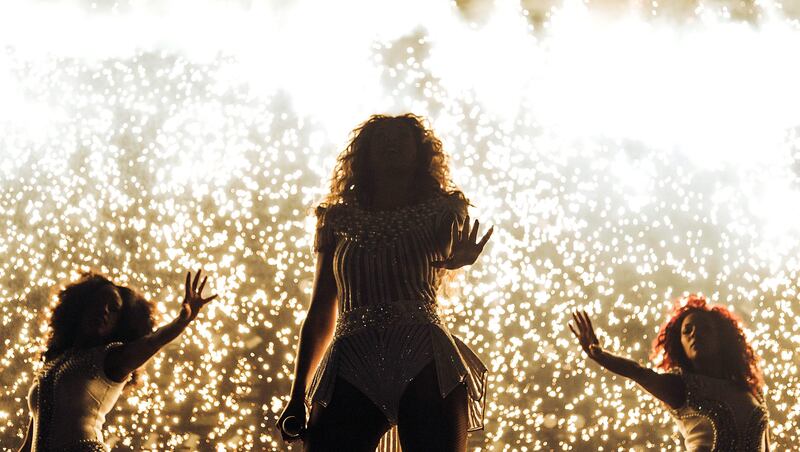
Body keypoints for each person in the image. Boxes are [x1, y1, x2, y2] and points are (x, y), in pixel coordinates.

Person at [276, 114, 493, 451]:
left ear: (419, 152)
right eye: (383, 138)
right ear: (365, 154)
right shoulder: (336, 218)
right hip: (351, 357)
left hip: (423, 353)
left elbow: (449, 245)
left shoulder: (443, 209)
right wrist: (296, 395)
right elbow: (320, 310)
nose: (392, 143)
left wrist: (457, 257)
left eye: (401, 137)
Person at [18, 269, 217, 452]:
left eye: (113, 309)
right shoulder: (52, 363)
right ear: (80, 308)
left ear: (120, 323)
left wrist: (182, 321)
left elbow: (151, 343)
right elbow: (29, 443)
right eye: (98, 303)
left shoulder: (111, 359)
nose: (104, 310)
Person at [569, 294, 770, 451]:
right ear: (679, 342)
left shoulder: (751, 389)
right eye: (687, 331)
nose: (695, 334)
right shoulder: (680, 386)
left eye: (705, 329)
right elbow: (637, 372)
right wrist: (600, 355)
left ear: (722, 339)